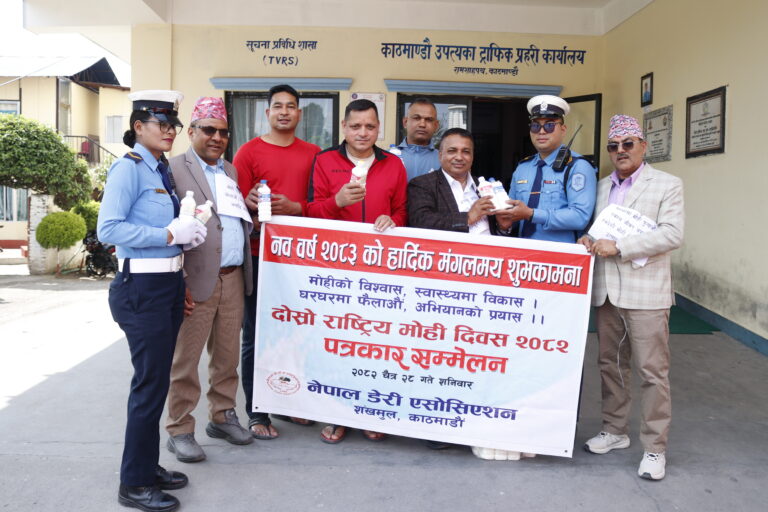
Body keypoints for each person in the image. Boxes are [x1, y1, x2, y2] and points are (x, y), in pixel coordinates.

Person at [98, 90, 207, 512]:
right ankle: (134, 483)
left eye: (173, 125)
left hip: (165, 285)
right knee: (148, 386)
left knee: (157, 381)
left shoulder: (159, 168)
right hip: (141, 288)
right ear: (138, 126)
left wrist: (184, 241)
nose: (169, 131)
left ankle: (146, 464)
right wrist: (167, 234)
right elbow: (109, 229)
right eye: (161, 124)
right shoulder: (128, 169)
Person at [579, 114, 684, 481]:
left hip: (646, 293)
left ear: (643, 146)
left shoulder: (667, 184)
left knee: (652, 372)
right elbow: (598, 232)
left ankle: (655, 448)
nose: (620, 151)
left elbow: (672, 234)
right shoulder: (601, 186)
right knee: (610, 365)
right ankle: (615, 429)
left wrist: (621, 246)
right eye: (613, 146)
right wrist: (589, 240)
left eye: (627, 144)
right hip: (607, 290)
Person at [306, 98, 407, 443]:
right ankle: (336, 415)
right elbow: (310, 212)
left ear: (379, 129)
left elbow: (403, 212)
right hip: (337, 267)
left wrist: (393, 220)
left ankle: (371, 411)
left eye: (370, 126)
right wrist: (336, 203)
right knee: (337, 344)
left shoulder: (394, 164)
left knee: (375, 344)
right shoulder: (324, 160)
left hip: (381, 270)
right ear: (344, 128)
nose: (363, 132)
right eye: (355, 126)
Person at [164, 97, 254, 463]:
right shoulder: (172, 168)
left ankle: (222, 416)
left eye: (223, 132)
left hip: (233, 277)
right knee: (184, 360)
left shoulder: (230, 171)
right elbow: (169, 226)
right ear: (191, 132)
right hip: (195, 280)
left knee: (227, 357)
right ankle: (180, 429)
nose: (217, 138)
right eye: (209, 130)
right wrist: (180, 279)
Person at [234, 84, 320, 439]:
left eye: (291, 106)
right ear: (267, 113)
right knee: (257, 335)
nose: (284, 112)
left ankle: (290, 403)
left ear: (299, 113)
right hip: (259, 257)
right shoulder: (248, 153)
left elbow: (321, 205)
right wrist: (251, 205)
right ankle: (257, 412)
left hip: (301, 260)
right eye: (278, 106)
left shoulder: (314, 154)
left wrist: (298, 208)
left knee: (298, 333)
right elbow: (234, 204)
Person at [506, 95, 596, 242]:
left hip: (560, 252)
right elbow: (512, 214)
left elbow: (580, 217)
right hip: (523, 250)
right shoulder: (523, 168)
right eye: (535, 126)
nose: (541, 132)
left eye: (549, 125)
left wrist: (532, 214)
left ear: (563, 129)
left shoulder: (578, 166)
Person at [408, 127, 509, 236]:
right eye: (452, 151)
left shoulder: (485, 186)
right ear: (440, 155)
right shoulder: (422, 184)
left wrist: (503, 227)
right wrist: (468, 218)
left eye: (466, 152)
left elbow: (496, 233)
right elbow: (420, 220)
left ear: (472, 157)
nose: (459, 157)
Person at [396, 97, 441, 181]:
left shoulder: (443, 160)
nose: (422, 124)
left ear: (436, 125)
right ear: (405, 122)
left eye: (428, 119)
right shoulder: (388, 157)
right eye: (416, 118)